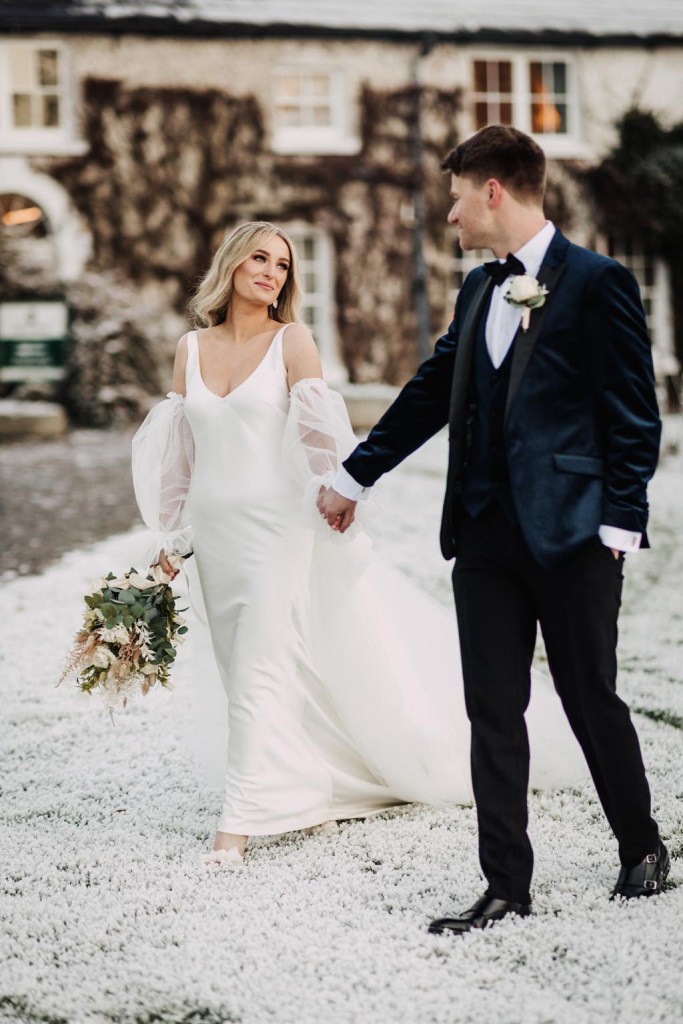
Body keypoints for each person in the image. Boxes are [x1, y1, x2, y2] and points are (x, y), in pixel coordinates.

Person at [131, 220, 585, 869]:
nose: (270, 272)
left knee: (262, 660)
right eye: (259, 258)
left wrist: (335, 497)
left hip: (275, 529)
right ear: (231, 263)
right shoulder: (190, 347)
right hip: (217, 534)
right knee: (242, 670)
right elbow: (179, 454)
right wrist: (171, 538)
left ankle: (239, 821)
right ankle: (302, 781)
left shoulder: (292, 341)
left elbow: (320, 440)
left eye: (283, 266)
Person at [319, 125, 669, 934]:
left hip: (575, 534)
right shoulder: (479, 289)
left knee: (590, 699)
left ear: (492, 191)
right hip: (482, 539)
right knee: (491, 710)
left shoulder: (597, 282)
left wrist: (620, 523)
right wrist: (354, 473)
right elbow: (430, 389)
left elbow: (632, 415)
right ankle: (505, 884)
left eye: (453, 199)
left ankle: (641, 844)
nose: (448, 218)